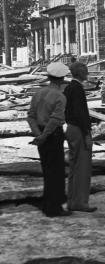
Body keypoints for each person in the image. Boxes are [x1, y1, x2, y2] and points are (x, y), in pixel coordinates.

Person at [26, 62, 70, 217]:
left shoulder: (38, 93)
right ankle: (53, 208)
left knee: (47, 170)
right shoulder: (60, 96)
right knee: (56, 172)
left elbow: (30, 116)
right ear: (62, 79)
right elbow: (55, 119)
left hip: (41, 135)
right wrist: (44, 137)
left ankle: (48, 204)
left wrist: (38, 135)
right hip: (53, 136)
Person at [65, 62, 96, 213]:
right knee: (83, 167)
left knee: (74, 166)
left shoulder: (69, 88)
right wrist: (86, 134)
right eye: (85, 71)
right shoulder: (77, 89)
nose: (87, 73)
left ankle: (72, 200)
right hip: (78, 130)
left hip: (70, 128)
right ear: (80, 73)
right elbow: (80, 114)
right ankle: (81, 202)